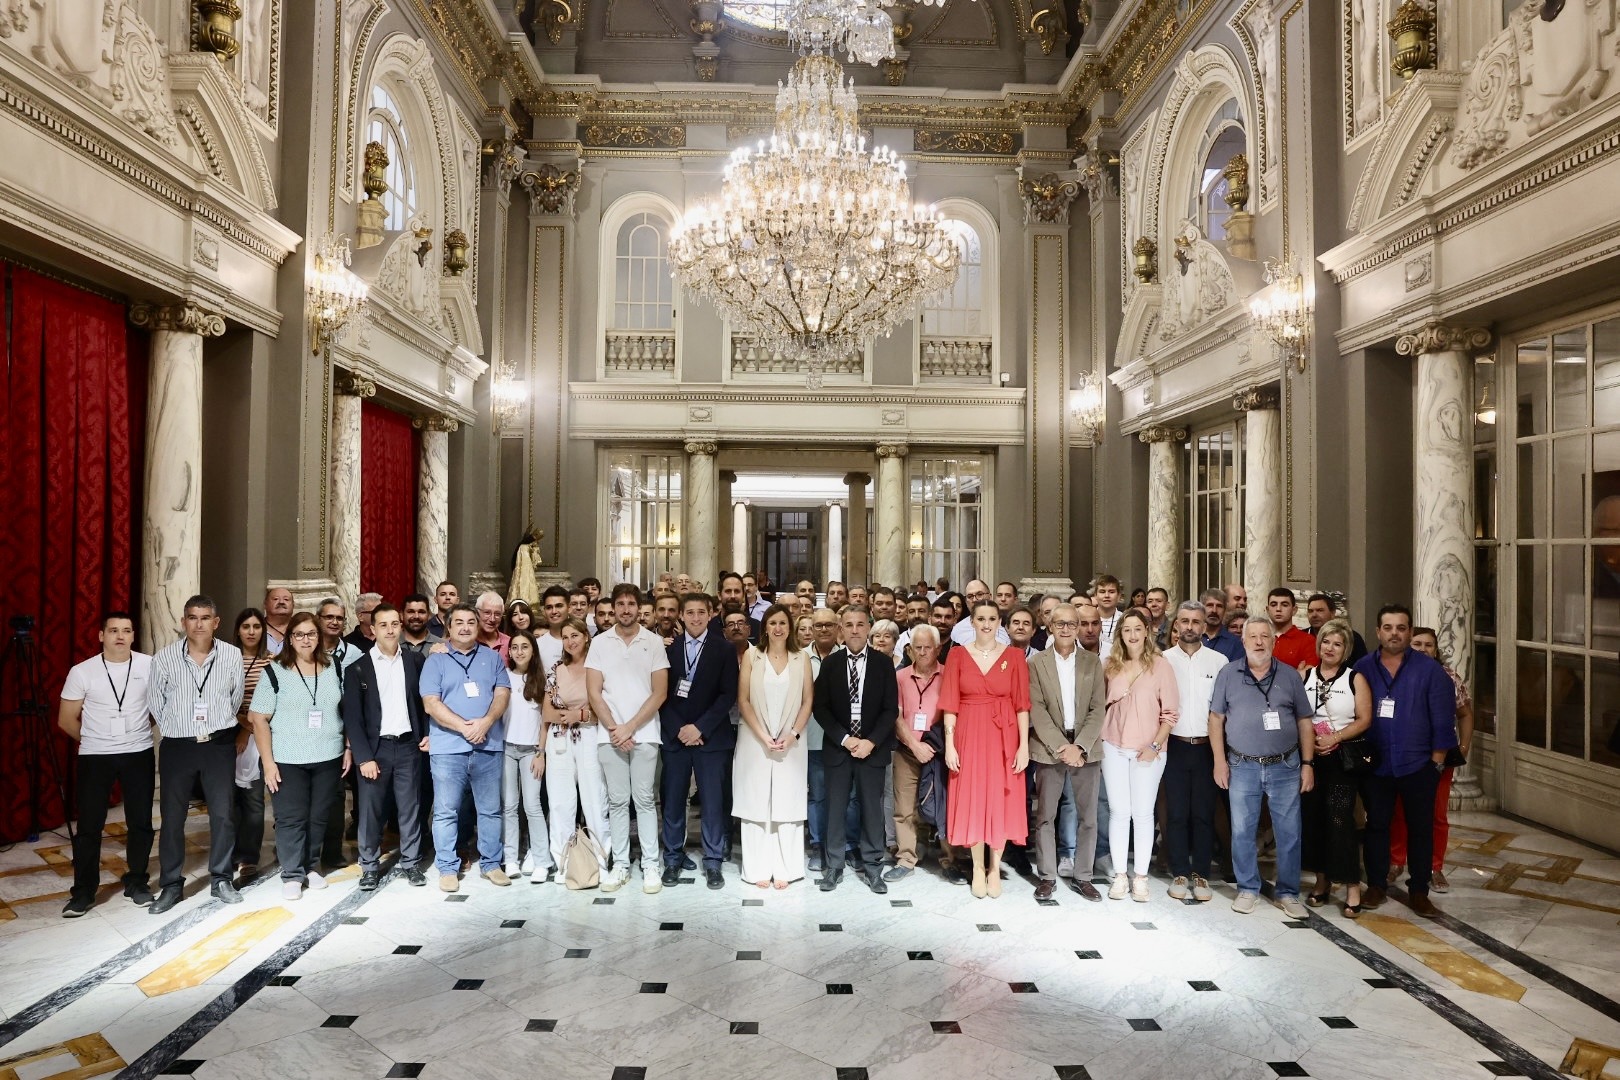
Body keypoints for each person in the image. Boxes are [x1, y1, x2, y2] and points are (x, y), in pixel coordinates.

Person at [1354, 605, 1457, 918]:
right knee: (1377, 827)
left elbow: (1443, 718)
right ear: (1378, 632)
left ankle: (1419, 891)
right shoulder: (1363, 667)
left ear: (1410, 632)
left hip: (1418, 766)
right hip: (1377, 765)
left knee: (1421, 829)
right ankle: (1375, 885)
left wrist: (1436, 764)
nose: (1394, 633)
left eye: (1401, 628)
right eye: (1388, 627)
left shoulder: (1429, 671)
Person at [1210, 616, 1316, 917]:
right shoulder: (1229, 674)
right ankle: (1247, 888)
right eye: (1253, 636)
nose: (1259, 642)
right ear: (1243, 642)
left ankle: (1288, 891)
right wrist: (1219, 761)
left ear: (1273, 641)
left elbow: (1304, 720)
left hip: (1286, 765)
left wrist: (1307, 763)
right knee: (1242, 830)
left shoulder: (1291, 677)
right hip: (1242, 764)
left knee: (1289, 832)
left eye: (1264, 636)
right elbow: (1216, 719)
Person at [149, 595, 245, 912]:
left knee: (222, 814)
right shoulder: (164, 658)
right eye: (192, 617)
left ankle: (221, 879)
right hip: (178, 746)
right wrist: (180, 728)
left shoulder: (232, 656)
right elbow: (155, 704)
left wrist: (214, 726)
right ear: (183, 622)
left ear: (216, 623)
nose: (199, 623)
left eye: (205, 617)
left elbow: (235, 699)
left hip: (218, 744)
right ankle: (172, 886)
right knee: (173, 818)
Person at [248, 611, 352, 901]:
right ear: (289, 639)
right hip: (287, 758)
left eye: (311, 634)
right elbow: (258, 719)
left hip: (327, 755)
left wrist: (347, 748)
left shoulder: (335, 667)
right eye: (299, 634)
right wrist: (268, 763)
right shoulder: (275, 671)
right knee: (291, 817)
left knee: (319, 816)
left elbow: (347, 712)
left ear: (319, 637)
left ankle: (311, 866)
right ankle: (292, 873)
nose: (306, 639)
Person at [58, 612, 155, 917]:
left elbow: (159, 708)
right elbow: (66, 720)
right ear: (101, 635)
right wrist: (95, 738)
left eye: (126, 630)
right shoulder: (82, 671)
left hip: (138, 752)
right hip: (95, 755)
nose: (120, 636)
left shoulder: (149, 665)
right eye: (113, 630)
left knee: (140, 822)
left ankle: (137, 882)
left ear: (133, 635)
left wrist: (135, 731)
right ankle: (84, 892)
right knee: (89, 827)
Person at [940, 600, 1032, 899]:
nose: (987, 623)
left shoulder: (1015, 657)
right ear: (973, 621)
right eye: (981, 618)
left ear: (999, 622)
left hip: (1004, 736)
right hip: (969, 733)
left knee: (1000, 798)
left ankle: (995, 868)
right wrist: (950, 745)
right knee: (974, 797)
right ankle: (978, 867)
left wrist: (1023, 746)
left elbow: (1022, 705)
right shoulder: (957, 655)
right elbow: (950, 704)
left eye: (993, 618)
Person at [420, 603, 512, 892]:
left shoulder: (492, 658)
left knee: (490, 810)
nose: (465, 627)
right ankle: (447, 867)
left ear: (478, 625)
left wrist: (486, 722)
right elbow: (430, 703)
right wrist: (464, 727)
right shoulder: (435, 660)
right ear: (448, 627)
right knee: (447, 810)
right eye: (458, 622)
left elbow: (502, 692)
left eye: (470, 622)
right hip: (448, 748)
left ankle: (491, 864)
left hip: (488, 746)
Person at [587, 583, 670, 893]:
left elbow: (659, 692)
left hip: (645, 733)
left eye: (630, 604)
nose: (624, 609)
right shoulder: (599, 643)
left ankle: (650, 865)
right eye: (619, 604)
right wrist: (614, 729)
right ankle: (621, 864)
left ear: (639, 608)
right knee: (618, 801)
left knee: (646, 800)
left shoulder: (654, 642)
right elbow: (594, 692)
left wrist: (630, 727)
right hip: (609, 735)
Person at [342, 603, 429, 890]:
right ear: (372, 629)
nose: (390, 630)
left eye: (395, 624)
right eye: (383, 625)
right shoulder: (358, 669)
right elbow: (353, 718)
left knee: (410, 808)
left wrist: (425, 735)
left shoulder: (414, 662)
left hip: (407, 747)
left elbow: (424, 704)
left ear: (401, 626)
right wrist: (363, 757)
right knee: (370, 811)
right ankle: (369, 866)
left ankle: (411, 862)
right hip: (375, 750)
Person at [814, 605, 899, 894]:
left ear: (868, 628)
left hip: (871, 749)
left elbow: (890, 710)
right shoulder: (832, 664)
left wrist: (870, 741)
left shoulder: (883, 664)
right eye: (848, 624)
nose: (854, 630)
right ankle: (834, 866)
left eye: (860, 624)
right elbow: (820, 708)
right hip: (839, 749)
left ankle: (873, 867)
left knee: (872, 810)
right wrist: (845, 739)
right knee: (835, 808)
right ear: (841, 628)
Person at [1027, 603, 1106, 903]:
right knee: (1046, 815)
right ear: (1049, 626)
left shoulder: (1092, 662)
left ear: (1078, 628)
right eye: (1059, 623)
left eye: (1072, 624)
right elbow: (1037, 709)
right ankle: (1047, 876)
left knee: (1089, 817)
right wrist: (1062, 747)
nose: (1065, 629)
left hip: (1086, 747)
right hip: (1051, 748)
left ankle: (1083, 877)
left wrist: (1080, 746)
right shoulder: (1036, 663)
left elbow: (1098, 708)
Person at [660, 593, 739, 889]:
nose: (695, 618)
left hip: (711, 738)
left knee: (713, 802)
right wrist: (681, 727)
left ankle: (713, 860)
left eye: (700, 613)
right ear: (681, 615)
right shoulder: (667, 649)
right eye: (689, 613)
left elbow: (727, 694)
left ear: (710, 615)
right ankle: (672, 857)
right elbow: (660, 694)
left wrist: (700, 728)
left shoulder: (724, 649)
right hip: (675, 735)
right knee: (673, 800)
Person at [1098, 609, 1178, 902]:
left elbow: (1170, 713)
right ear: (1120, 633)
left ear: (1147, 631)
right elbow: (1101, 706)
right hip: (1113, 745)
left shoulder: (1161, 665)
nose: (1132, 635)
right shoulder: (1111, 665)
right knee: (1119, 813)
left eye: (1137, 629)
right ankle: (1120, 875)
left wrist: (1154, 746)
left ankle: (1140, 878)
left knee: (1143, 815)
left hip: (1149, 749)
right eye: (1126, 629)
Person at [734, 604, 814, 888]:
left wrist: (792, 734)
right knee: (757, 800)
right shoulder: (751, 656)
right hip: (755, 739)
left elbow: (807, 701)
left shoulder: (800, 657)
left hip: (790, 741)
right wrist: (763, 735)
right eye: (772, 623)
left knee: (787, 800)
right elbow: (743, 700)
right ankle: (756, 869)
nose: (777, 628)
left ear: (789, 627)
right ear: (764, 627)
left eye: (782, 623)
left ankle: (786, 868)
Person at [1391, 627, 1475, 894]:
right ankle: (1396, 861)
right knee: (1400, 810)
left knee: (1436, 813)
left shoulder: (1448, 677)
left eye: (1429, 645)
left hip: (1440, 753)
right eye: (1417, 644)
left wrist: (1463, 746)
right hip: (1404, 753)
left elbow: (1465, 714)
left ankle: (1434, 867)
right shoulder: (1394, 673)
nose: (1423, 649)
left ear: (1436, 650)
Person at [1301, 619, 1373, 916]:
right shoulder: (1304, 675)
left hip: (1341, 760)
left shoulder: (1355, 678)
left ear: (1346, 650)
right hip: (1310, 759)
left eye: (1337, 644)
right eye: (1326, 642)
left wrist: (1335, 737)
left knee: (1340, 821)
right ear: (1319, 645)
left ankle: (1352, 885)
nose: (1330, 648)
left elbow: (1365, 719)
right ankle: (1322, 881)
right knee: (1314, 820)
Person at [1162, 601, 1229, 903]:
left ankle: (1200, 872)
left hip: (1206, 747)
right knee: (1176, 814)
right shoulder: (1161, 660)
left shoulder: (1219, 662)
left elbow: (1225, 710)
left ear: (1204, 626)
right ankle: (1178, 870)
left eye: (1196, 622)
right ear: (1176, 624)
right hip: (1173, 746)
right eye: (1184, 621)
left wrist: (1220, 757)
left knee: (1203, 814)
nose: (1190, 626)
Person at [889, 624, 961, 884]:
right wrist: (915, 745)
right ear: (909, 650)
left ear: (938, 648)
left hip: (940, 752)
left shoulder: (949, 676)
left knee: (945, 807)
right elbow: (895, 716)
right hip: (908, 750)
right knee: (904, 808)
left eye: (927, 647)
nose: (922, 652)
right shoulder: (900, 677)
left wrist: (934, 744)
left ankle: (949, 859)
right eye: (917, 648)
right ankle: (906, 858)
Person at [541, 616, 609, 875]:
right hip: (559, 739)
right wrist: (569, 716)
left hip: (590, 735)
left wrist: (580, 716)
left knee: (594, 798)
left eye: (575, 636)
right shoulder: (556, 668)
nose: (570, 641)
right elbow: (547, 713)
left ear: (586, 637)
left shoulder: (597, 667)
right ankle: (564, 863)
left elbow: (603, 708)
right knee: (560, 802)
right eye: (566, 637)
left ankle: (602, 859)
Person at [231, 608, 274, 878]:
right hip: (228, 734)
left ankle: (248, 857)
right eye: (245, 626)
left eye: (256, 626)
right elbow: (220, 698)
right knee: (228, 801)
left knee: (254, 801)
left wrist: (248, 730)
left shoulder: (272, 662)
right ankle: (227, 853)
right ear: (237, 630)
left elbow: (272, 701)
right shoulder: (226, 660)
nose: (251, 631)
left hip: (260, 736)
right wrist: (241, 725)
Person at [804, 606, 843, 871]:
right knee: (817, 796)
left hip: (844, 740)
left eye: (829, 625)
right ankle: (818, 845)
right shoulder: (800, 658)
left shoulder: (847, 656)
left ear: (838, 627)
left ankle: (846, 846)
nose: (824, 630)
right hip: (812, 739)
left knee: (847, 798)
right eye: (819, 626)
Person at [1306, 593, 1368, 664]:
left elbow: (1362, 666)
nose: (1314, 615)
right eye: (1310, 611)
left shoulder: (1352, 637)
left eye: (1320, 610)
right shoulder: (1302, 636)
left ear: (1332, 613)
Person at [1267, 589, 1318, 669]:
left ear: (1294, 610)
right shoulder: (1260, 639)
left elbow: (1308, 674)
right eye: (1273, 605)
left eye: (1284, 605)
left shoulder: (1308, 641)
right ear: (1267, 610)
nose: (1278, 609)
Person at [950, 581, 1008, 646]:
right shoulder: (958, 629)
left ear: (990, 596)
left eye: (979, 594)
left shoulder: (1005, 625)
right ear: (966, 601)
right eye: (970, 596)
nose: (974, 600)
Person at [1199, 589, 1244, 662]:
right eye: (1210, 605)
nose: (1214, 610)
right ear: (1201, 609)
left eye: (1219, 606)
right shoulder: (1193, 639)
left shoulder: (1235, 644)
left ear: (1225, 610)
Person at [474, 591, 512, 661]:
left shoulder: (509, 643)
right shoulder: (468, 641)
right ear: (477, 613)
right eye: (487, 613)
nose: (492, 619)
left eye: (497, 614)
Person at [1093, 575, 1125, 658]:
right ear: (1095, 595)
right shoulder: (1088, 619)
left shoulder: (1125, 619)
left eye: (1111, 592)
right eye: (1102, 591)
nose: (1107, 596)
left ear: (1119, 596)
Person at [262, 586, 293, 655]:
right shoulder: (256, 629)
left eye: (286, 599)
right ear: (265, 604)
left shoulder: (300, 629)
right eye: (276, 599)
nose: (281, 602)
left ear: (293, 605)